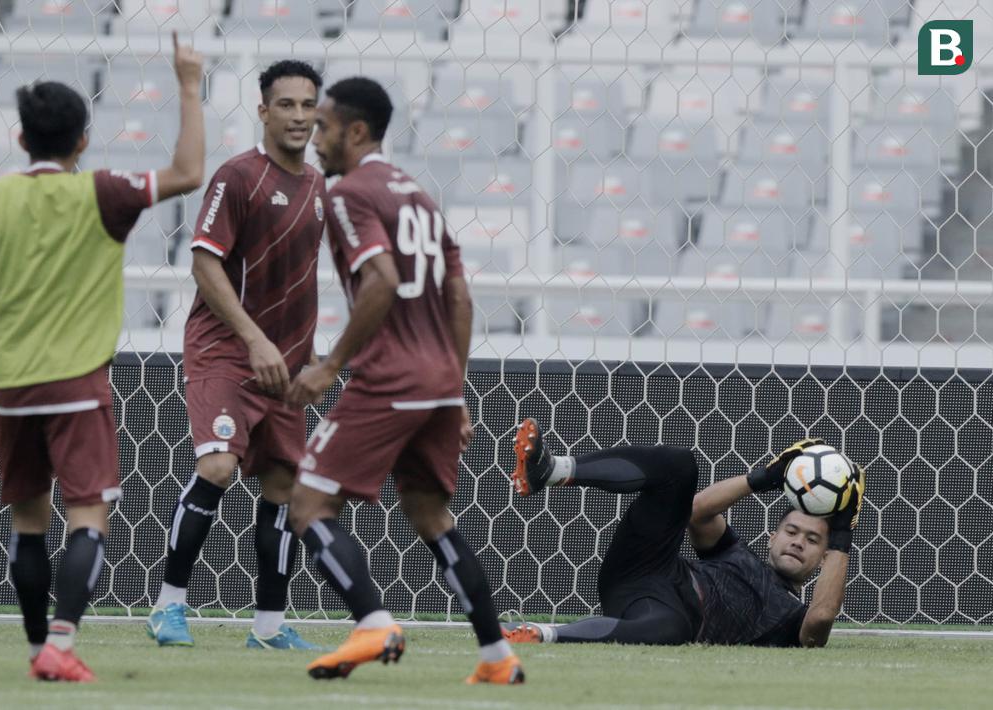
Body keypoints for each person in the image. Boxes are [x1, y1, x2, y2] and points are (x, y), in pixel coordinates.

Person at [0, 33, 206, 682]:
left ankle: (36, 651)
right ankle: (61, 637)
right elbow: (189, 173)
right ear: (82, 141)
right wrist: (190, 85)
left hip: (9, 383)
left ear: (22, 140)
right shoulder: (104, 193)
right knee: (87, 514)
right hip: (77, 383)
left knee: (29, 521)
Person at [283, 77, 525, 685]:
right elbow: (460, 294)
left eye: (324, 126)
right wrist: (456, 387)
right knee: (430, 514)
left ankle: (372, 622)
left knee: (309, 504)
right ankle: (497, 658)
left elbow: (383, 280)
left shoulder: (349, 194)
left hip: (389, 377)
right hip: (439, 380)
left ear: (356, 131)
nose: (315, 139)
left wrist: (331, 365)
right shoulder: (418, 195)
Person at [146, 60, 327, 651]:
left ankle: (269, 628)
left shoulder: (320, 187)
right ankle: (168, 607)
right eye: (286, 105)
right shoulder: (239, 175)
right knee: (219, 466)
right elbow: (203, 262)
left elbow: (301, 277)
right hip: (226, 352)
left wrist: (312, 354)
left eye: (307, 105)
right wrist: (253, 337)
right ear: (262, 110)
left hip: (286, 367)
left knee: (283, 486)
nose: (298, 116)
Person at [502, 418, 865, 648]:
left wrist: (842, 533)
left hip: (662, 614)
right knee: (680, 467)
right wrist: (763, 478)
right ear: (772, 536)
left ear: (823, 558)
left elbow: (821, 618)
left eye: (813, 540)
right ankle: (551, 469)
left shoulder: (791, 618)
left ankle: (543, 634)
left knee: (673, 630)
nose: (799, 541)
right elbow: (697, 511)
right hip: (646, 568)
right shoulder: (735, 553)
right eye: (792, 531)